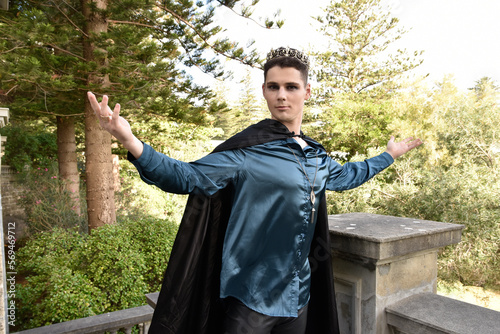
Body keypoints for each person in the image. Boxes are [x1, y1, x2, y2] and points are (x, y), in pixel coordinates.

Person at [88, 47, 422, 334]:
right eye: (274, 86)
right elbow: (187, 177)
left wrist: (388, 155)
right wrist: (129, 140)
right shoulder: (246, 153)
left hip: (299, 296)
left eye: (291, 87)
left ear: (306, 92)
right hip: (250, 301)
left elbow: (348, 175)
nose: (282, 95)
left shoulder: (317, 156)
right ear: (264, 90)